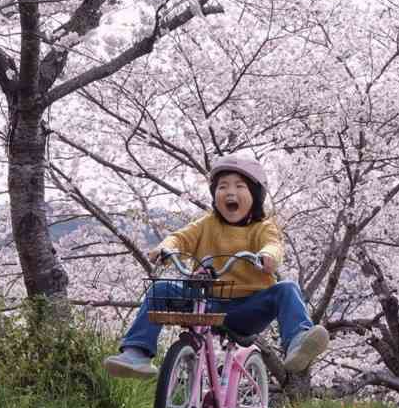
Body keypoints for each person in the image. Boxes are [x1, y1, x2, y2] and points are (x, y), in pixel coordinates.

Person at [103, 154, 330, 379]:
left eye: (240, 186)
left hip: (248, 308)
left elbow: (273, 245)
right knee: (160, 289)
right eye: (223, 187)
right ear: (214, 195)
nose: (230, 192)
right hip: (206, 302)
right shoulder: (206, 224)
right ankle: (137, 352)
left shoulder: (263, 228)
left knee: (287, 288)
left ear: (255, 194)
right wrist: (165, 248)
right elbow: (179, 238)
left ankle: (298, 341)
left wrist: (267, 256)